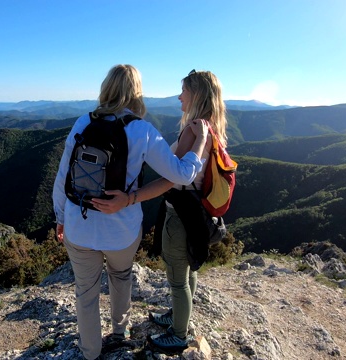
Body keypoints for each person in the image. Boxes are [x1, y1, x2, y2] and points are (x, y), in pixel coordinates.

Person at [52, 64, 209, 360]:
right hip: (121, 229)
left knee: (85, 293)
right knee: (120, 275)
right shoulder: (141, 130)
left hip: (79, 223)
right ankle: (119, 333)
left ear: (106, 88)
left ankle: (90, 353)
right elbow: (181, 173)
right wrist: (200, 141)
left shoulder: (81, 123)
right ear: (136, 92)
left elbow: (62, 178)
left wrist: (60, 218)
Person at [92, 69, 228, 352]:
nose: (180, 96)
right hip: (194, 211)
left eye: (184, 91)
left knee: (178, 278)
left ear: (197, 95)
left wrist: (131, 198)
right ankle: (180, 317)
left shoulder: (194, 130)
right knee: (187, 270)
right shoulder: (211, 127)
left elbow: (170, 177)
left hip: (180, 213)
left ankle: (179, 334)